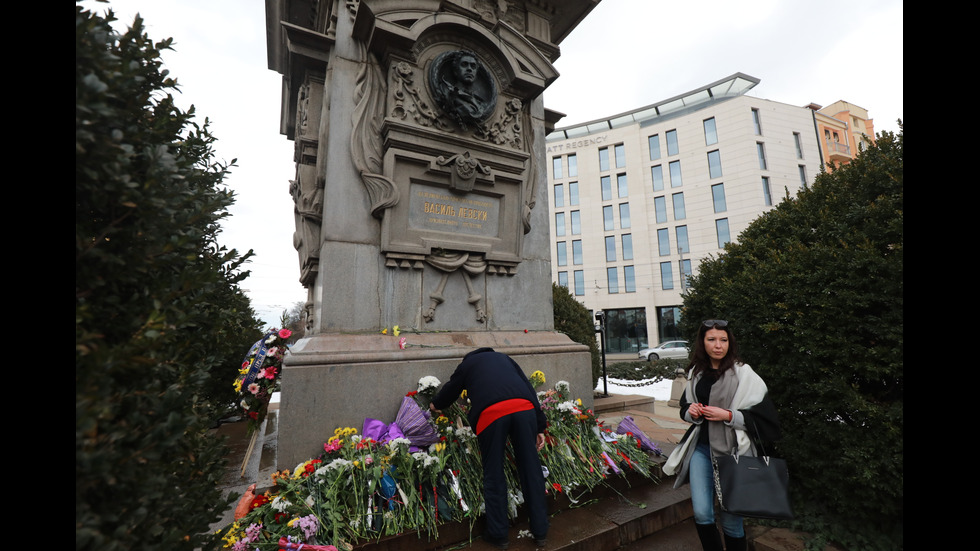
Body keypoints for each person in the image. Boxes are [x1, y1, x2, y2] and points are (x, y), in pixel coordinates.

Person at [663, 320, 781, 551]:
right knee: (702, 513)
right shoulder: (696, 374)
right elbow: (685, 406)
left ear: (730, 343)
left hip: (733, 454)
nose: (718, 345)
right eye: (712, 339)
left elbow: (766, 419)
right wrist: (691, 412)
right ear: (702, 343)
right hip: (701, 451)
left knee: (732, 518)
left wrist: (728, 415)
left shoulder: (744, 374)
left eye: (723, 340)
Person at [429, 347, 548, 549]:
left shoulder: (467, 364)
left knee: (494, 472)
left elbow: (452, 388)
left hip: (492, 414)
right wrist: (540, 426)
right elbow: (529, 389)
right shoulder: (505, 359)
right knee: (531, 469)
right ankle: (541, 530)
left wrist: (435, 404)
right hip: (524, 408)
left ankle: (498, 534)